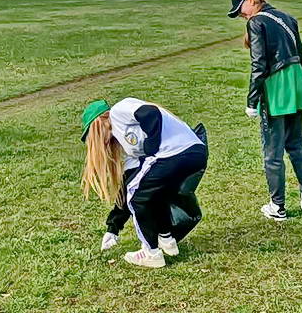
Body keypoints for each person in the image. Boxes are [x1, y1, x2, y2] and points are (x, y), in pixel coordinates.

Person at [81, 98, 208, 269]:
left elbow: (151, 113)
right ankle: (167, 240)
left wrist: (151, 147)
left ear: (97, 124)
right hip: (193, 153)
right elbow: (128, 184)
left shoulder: (118, 112)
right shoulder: (126, 144)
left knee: (137, 199)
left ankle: (151, 253)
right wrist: (113, 227)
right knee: (152, 194)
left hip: (177, 153)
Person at [229, 0, 302, 221]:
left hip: (275, 87)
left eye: (240, 9)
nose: (242, 15)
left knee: (273, 151)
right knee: (297, 144)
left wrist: (251, 101)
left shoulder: (256, 22)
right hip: (296, 83)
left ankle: (277, 206)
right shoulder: (287, 18)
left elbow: (259, 64)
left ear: (251, 0)